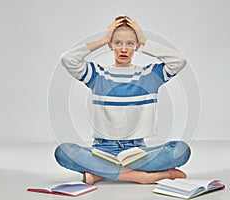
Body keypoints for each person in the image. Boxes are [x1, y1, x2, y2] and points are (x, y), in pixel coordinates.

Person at [54, 16, 191, 185]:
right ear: (111, 45)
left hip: (136, 151)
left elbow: (179, 61)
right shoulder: (98, 75)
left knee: (180, 150)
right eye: (117, 43)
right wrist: (103, 39)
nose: (124, 49)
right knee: (63, 152)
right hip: (102, 149)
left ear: (137, 46)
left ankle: (101, 173)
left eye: (130, 43)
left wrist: (144, 39)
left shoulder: (149, 76)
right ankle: (142, 177)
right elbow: (68, 59)